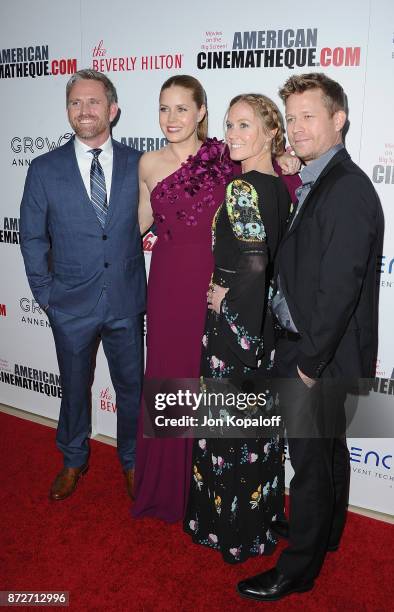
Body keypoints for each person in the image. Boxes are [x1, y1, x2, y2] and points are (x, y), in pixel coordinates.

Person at [237, 73, 383, 601]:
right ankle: (324, 531)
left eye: (308, 116)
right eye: (291, 117)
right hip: (321, 348)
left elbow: (339, 290)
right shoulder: (324, 176)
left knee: (311, 465)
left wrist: (308, 363)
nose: (296, 128)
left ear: (338, 119)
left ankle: (298, 568)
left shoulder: (345, 188)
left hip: (319, 353)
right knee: (328, 452)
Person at [133, 75, 300, 523]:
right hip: (168, 285)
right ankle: (164, 488)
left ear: (201, 111)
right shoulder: (147, 163)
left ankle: (203, 492)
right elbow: (134, 227)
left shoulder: (228, 158)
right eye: (163, 108)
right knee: (170, 380)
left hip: (212, 288)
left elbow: (269, 193)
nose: (172, 118)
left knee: (205, 383)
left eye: (182, 108)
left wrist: (287, 160)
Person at [20, 69, 145, 501]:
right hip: (69, 305)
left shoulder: (138, 163)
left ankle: (132, 461)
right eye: (76, 102)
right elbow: (32, 237)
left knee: (132, 390)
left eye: (93, 102)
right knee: (74, 389)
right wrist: (46, 296)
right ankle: (73, 459)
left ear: (113, 110)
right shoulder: (44, 168)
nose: (84, 110)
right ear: (68, 111)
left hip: (126, 301)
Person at [183, 93, 291, 563]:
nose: (231, 134)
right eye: (228, 125)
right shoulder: (279, 186)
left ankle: (226, 534)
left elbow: (254, 263)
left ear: (270, 132)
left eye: (244, 125)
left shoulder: (243, 189)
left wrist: (228, 312)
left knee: (229, 436)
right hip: (264, 329)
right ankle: (256, 531)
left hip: (237, 334)